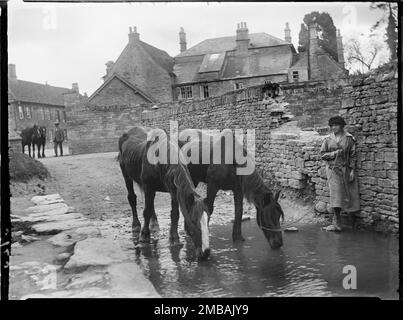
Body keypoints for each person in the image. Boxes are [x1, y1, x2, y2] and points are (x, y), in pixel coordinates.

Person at [320, 116, 360, 232]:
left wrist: (352, 170)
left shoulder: (349, 139)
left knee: (349, 194)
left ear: (342, 126)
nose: (333, 128)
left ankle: (352, 221)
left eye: (336, 125)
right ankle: (336, 223)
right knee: (336, 194)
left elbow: (353, 155)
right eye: (332, 126)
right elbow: (323, 154)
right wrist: (333, 154)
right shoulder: (328, 139)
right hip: (332, 170)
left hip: (345, 169)